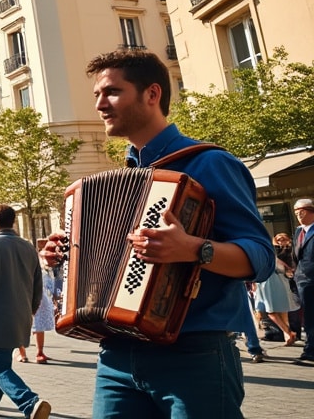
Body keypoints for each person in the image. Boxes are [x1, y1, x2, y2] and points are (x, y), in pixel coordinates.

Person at [40, 49, 275, 416]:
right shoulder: (118, 178)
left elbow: (261, 258)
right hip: (116, 355)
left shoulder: (211, 163)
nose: (100, 105)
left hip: (194, 355)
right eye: (97, 96)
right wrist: (65, 254)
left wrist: (195, 249)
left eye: (112, 92)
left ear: (152, 94)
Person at [0, 204, 51, 419]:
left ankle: (30, 403)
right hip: (21, 314)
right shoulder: (28, 247)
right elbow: (37, 284)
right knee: (1, 363)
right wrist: (31, 310)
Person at [257, 232, 299, 345]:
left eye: (283, 239)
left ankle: (288, 334)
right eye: (278, 239)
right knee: (275, 310)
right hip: (273, 281)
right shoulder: (273, 250)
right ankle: (288, 334)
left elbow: (290, 265)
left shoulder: (288, 250)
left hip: (276, 281)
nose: (281, 241)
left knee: (277, 310)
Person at [17, 266, 56, 365]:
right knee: (37, 323)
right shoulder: (39, 256)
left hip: (25, 290)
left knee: (21, 323)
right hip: (39, 292)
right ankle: (39, 353)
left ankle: (23, 354)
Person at [294, 197, 314, 365]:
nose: (299, 215)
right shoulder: (298, 231)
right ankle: (310, 349)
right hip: (303, 279)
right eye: (296, 212)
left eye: (302, 212)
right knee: (308, 316)